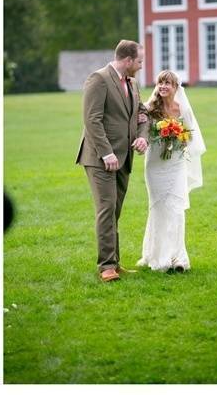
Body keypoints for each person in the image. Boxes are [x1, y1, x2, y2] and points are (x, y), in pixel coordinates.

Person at [76, 40, 149, 283]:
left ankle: (115, 263)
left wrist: (142, 138)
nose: (141, 65)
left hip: (124, 157)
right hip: (100, 158)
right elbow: (92, 120)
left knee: (114, 211)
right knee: (106, 210)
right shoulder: (98, 79)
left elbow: (142, 114)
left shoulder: (133, 83)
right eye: (139, 61)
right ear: (128, 60)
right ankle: (106, 266)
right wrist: (106, 152)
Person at [136, 70, 206, 273]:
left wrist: (177, 136)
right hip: (156, 164)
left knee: (176, 208)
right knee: (159, 208)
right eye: (160, 83)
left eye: (168, 83)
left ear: (176, 87)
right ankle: (157, 256)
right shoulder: (150, 108)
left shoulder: (181, 108)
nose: (163, 86)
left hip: (175, 164)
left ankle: (178, 258)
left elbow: (190, 136)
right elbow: (143, 133)